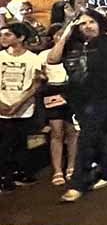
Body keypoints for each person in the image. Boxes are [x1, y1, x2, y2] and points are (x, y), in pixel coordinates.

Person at [47, 9, 107, 201]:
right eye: (82, 23)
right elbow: (52, 59)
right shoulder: (70, 44)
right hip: (78, 99)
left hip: (105, 97)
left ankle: (77, 183)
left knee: (86, 138)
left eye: (91, 22)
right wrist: (65, 34)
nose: (87, 26)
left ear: (99, 23)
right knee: (96, 137)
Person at [0, 23, 44, 190]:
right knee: (4, 143)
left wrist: (20, 103)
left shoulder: (33, 59)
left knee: (20, 142)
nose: (3, 38)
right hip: (3, 107)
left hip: (24, 108)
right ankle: (4, 176)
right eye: (2, 35)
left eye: (8, 35)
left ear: (21, 38)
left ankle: (19, 171)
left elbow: (36, 84)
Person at [39, 24, 79, 186]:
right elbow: (40, 75)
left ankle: (71, 166)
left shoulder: (75, 52)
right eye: (58, 34)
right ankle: (57, 170)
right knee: (56, 132)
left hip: (73, 92)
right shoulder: (44, 54)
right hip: (53, 92)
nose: (62, 37)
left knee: (73, 131)